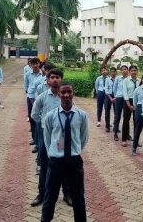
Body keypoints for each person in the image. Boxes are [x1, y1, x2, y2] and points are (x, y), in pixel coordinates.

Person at [41, 82, 89, 222]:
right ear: (59, 94)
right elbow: (47, 138)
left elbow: (83, 138)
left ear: (73, 93)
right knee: (50, 197)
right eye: (63, 92)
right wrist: (54, 153)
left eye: (69, 92)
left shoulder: (82, 115)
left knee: (78, 198)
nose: (66, 95)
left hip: (74, 161)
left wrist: (75, 150)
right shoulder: (50, 116)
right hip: (56, 162)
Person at [30, 69, 72, 208]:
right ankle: (42, 194)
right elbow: (35, 115)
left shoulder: (65, 96)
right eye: (52, 77)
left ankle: (67, 194)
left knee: (64, 164)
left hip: (61, 136)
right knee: (45, 164)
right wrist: (45, 125)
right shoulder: (42, 97)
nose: (55, 79)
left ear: (61, 79)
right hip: (46, 135)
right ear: (47, 80)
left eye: (58, 77)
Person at [24, 58, 43, 153]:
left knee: (39, 121)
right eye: (33, 63)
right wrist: (31, 97)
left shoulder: (43, 74)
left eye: (36, 63)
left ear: (39, 64)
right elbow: (26, 87)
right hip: (31, 98)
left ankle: (38, 142)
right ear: (30, 64)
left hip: (40, 99)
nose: (35, 65)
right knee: (32, 119)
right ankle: (34, 140)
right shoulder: (28, 74)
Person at [131, 74, 143, 156]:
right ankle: (134, 148)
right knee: (138, 129)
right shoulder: (137, 89)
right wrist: (137, 110)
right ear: (142, 80)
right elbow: (134, 102)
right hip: (139, 109)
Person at [122, 65, 139, 146]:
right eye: (132, 71)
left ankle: (136, 140)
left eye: (135, 70)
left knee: (136, 122)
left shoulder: (139, 81)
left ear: (137, 71)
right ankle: (124, 139)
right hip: (128, 101)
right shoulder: (126, 80)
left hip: (137, 102)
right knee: (126, 120)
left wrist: (136, 105)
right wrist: (129, 105)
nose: (133, 72)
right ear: (129, 72)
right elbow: (125, 93)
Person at [112, 65, 128, 141]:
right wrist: (116, 96)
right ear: (121, 71)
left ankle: (126, 134)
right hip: (119, 98)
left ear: (127, 70)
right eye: (122, 69)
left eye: (125, 69)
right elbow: (114, 88)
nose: (124, 70)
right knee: (117, 115)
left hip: (126, 99)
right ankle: (115, 133)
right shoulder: (118, 78)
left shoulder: (129, 79)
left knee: (126, 117)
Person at [104, 67, 117, 132]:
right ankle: (107, 126)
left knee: (116, 112)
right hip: (108, 96)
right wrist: (110, 98)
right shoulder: (107, 79)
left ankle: (116, 127)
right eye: (111, 71)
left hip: (116, 96)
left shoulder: (118, 79)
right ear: (110, 72)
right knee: (107, 111)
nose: (112, 73)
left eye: (114, 71)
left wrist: (115, 97)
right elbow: (106, 89)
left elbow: (119, 89)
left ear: (115, 72)